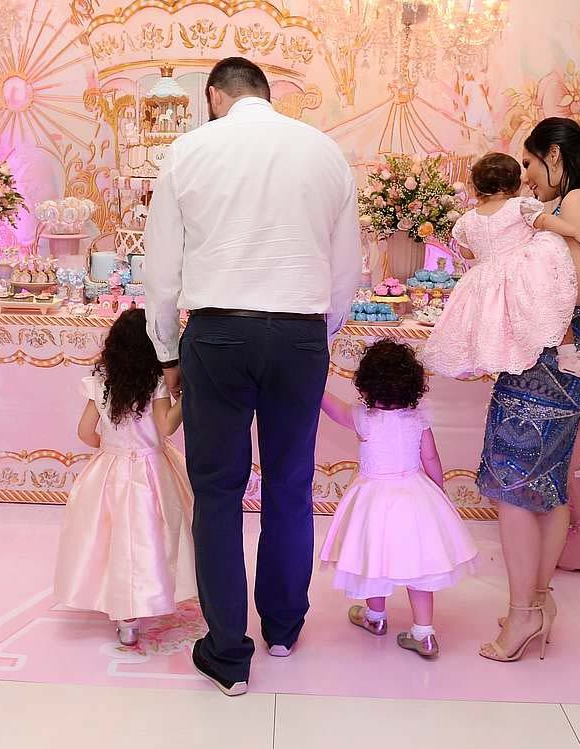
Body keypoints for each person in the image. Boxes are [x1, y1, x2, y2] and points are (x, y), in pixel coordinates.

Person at [144, 56, 361, 696]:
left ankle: (227, 654)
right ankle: (285, 628)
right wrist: (316, 337)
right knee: (290, 484)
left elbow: (161, 270)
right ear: (267, 94)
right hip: (299, 332)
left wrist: (167, 353)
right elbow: (346, 270)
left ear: (215, 96)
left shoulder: (187, 152)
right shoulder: (324, 152)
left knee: (217, 490)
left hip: (217, 332)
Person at [476, 118, 580, 663]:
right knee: (546, 483)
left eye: (531, 164)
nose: (528, 178)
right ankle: (537, 602)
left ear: (554, 155)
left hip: (551, 360)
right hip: (556, 353)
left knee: (513, 484)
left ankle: (524, 614)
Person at [319, 340, 479, 660]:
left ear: (365, 383)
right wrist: (438, 492)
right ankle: (424, 633)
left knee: (373, 557)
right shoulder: (418, 418)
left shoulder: (363, 418)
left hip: (373, 500)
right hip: (415, 496)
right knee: (420, 566)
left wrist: (314, 384)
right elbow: (431, 458)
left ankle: (375, 617)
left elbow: (332, 408)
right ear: (413, 384)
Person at [52, 308, 195, 648]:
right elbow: (166, 426)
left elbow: (85, 431)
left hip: (111, 469)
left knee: (110, 538)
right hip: (153, 469)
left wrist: (109, 448)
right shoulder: (156, 383)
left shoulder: (102, 383)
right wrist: (189, 394)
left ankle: (124, 618)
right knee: (155, 536)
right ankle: (150, 597)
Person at [422, 152, 580, 380]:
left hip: (486, 279)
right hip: (521, 273)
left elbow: (467, 253)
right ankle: (567, 356)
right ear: (515, 184)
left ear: (476, 187)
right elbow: (545, 221)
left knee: (494, 322)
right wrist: (576, 231)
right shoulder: (519, 206)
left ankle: (492, 358)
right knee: (552, 306)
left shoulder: (467, 219)